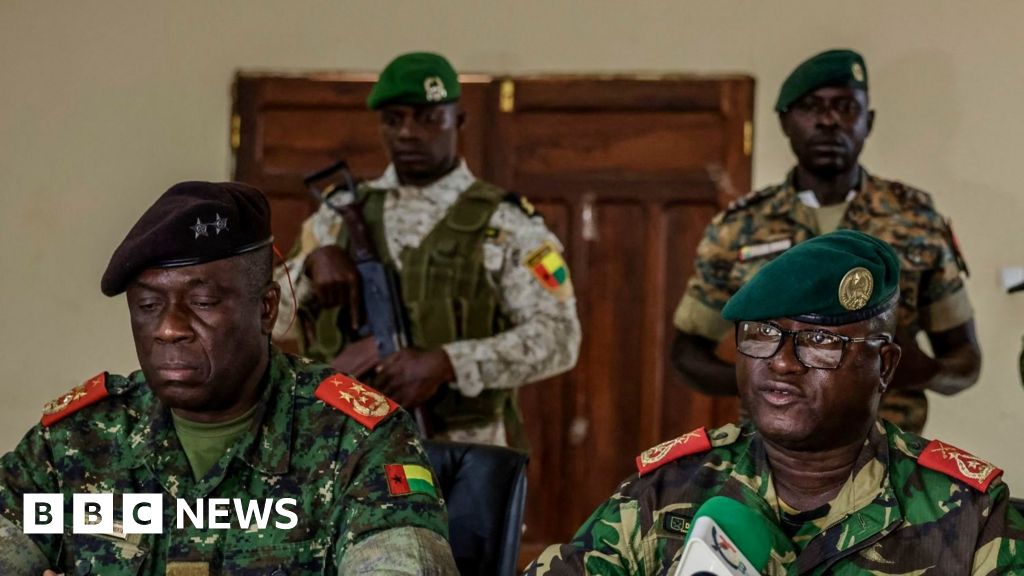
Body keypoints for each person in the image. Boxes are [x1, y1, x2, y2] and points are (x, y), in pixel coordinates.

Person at [0, 182, 458, 575]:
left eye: (201, 302)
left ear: (266, 308)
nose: (168, 328)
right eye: (147, 306)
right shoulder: (75, 443)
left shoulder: (355, 443)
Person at [526, 230, 1024, 575]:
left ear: (886, 366)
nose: (783, 362)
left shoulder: (970, 518)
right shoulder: (665, 492)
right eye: (763, 333)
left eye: (821, 342)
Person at [275, 52, 581, 448]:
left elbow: (560, 338)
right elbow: (271, 318)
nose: (407, 133)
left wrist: (449, 363)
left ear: (459, 121)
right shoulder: (336, 218)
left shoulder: (506, 224)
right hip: (344, 447)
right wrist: (310, 267)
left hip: (461, 449)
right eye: (393, 119)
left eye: (428, 118)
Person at [670, 49, 980, 433]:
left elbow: (966, 362)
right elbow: (686, 353)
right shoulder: (740, 227)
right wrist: (763, 377)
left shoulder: (915, 220)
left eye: (846, 107)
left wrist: (921, 370)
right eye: (811, 107)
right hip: (772, 453)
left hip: (887, 454)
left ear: (868, 121)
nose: (829, 120)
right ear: (785, 122)